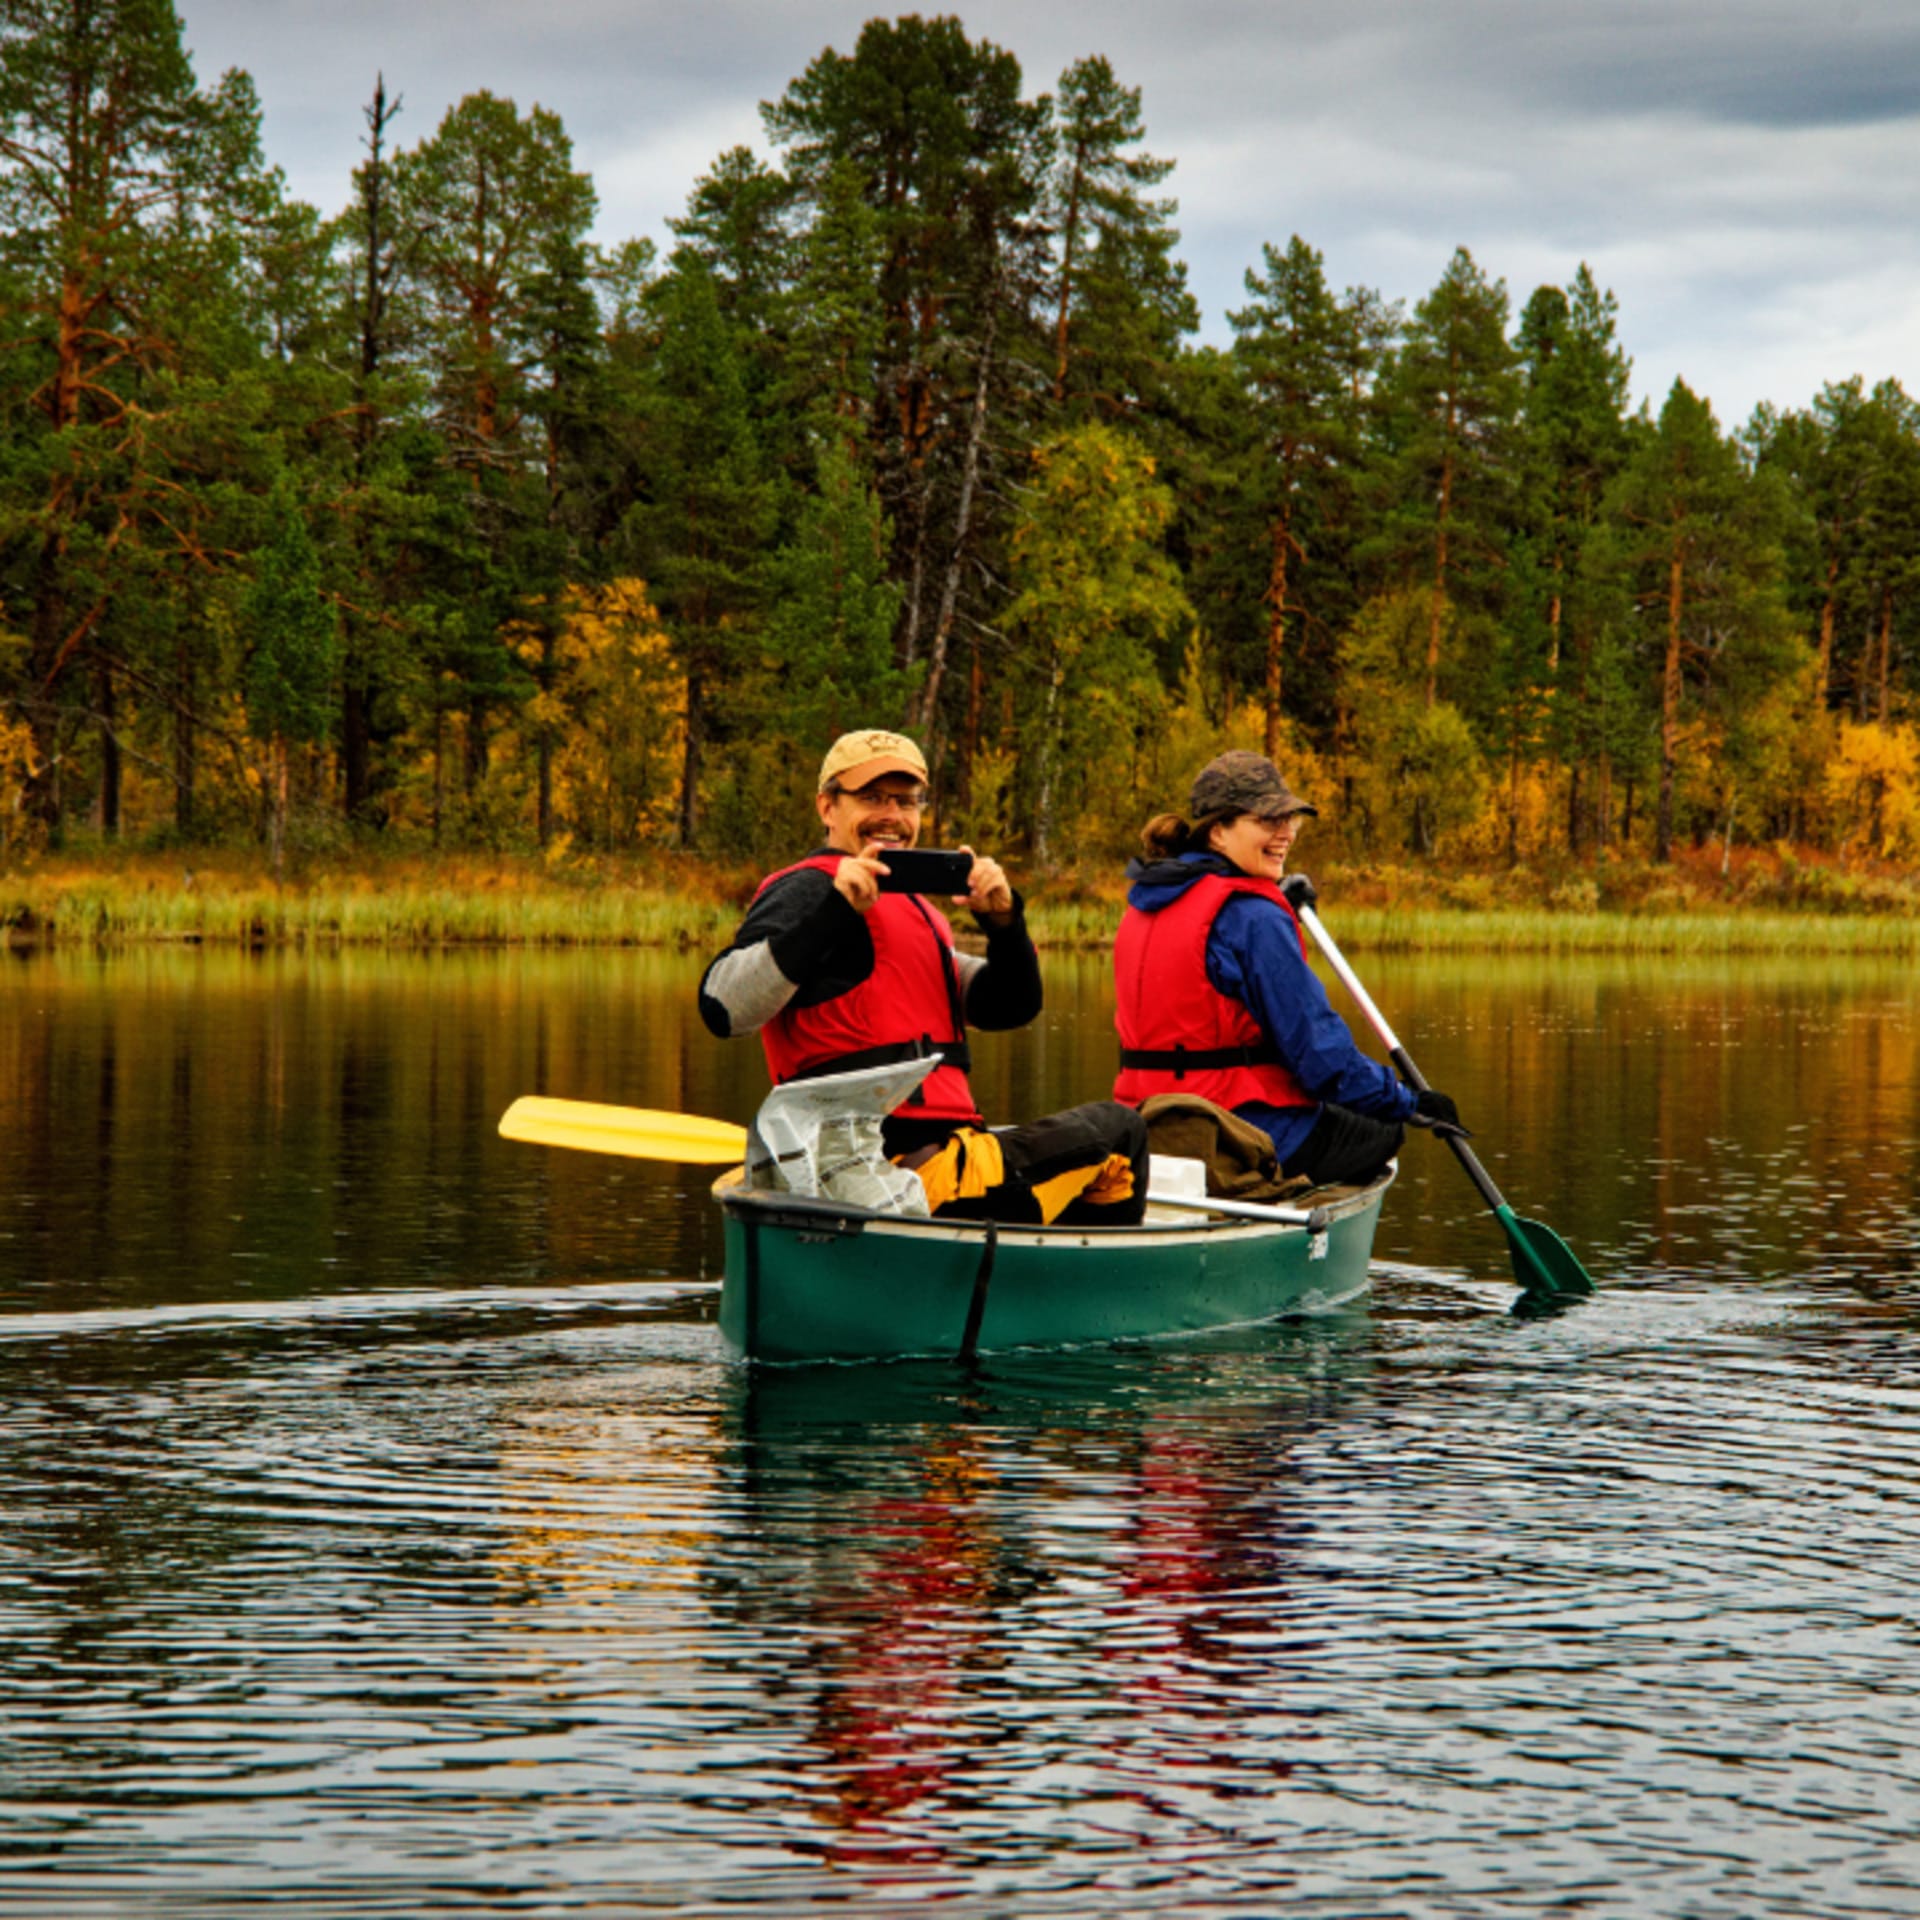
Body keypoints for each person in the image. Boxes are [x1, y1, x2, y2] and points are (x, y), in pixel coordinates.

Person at [700, 727, 1148, 1225]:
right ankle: (1076, 1291)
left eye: (906, 801)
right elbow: (723, 1006)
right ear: (828, 808)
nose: (892, 815)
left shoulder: (913, 911)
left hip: (934, 1166)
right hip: (892, 1173)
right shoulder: (810, 890)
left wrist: (1004, 925)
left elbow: (1009, 1007)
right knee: (1121, 1132)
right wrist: (834, 912)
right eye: (871, 797)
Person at [1112, 749, 1465, 1189]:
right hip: (1231, 1127)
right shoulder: (1254, 916)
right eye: (1268, 821)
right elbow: (1320, 1056)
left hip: (1145, 1121)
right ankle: (1281, 1202)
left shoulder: (1143, 905)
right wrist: (1405, 1102)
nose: (1286, 834)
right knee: (1380, 1129)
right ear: (1218, 833)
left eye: (1290, 820)